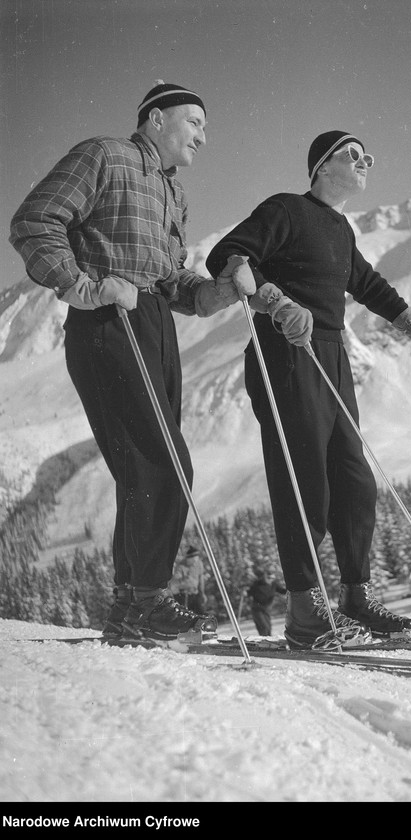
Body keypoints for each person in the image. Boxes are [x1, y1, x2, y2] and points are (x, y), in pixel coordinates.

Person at [9, 82, 253, 642]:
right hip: (107, 319)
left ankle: (129, 605)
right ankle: (146, 602)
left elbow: (172, 281)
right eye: (194, 122)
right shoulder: (104, 155)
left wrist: (219, 291)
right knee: (159, 463)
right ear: (156, 119)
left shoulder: (174, 193)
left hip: (152, 324)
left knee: (145, 467)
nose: (203, 136)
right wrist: (84, 287)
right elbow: (34, 221)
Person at [206, 130, 411, 650]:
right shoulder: (286, 209)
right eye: (353, 155)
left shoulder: (340, 228)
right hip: (286, 352)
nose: (365, 163)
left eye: (369, 158)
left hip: (331, 356)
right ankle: (306, 611)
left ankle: (356, 597)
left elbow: (368, 285)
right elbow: (229, 253)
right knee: (304, 479)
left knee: (354, 482)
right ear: (320, 167)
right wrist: (274, 300)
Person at [171, 545, 207, 613]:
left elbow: (201, 579)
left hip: (195, 594)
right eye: (193, 560)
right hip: (183, 596)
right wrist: (185, 581)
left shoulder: (199, 563)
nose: (194, 562)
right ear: (188, 558)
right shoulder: (181, 566)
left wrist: (202, 594)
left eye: (196, 560)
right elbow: (174, 583)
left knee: (202, 613)